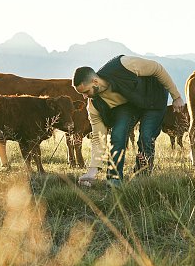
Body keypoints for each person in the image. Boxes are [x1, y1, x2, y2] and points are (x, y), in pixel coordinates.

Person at [73, 55, 185, 187]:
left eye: (86, 91)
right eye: (82, 94)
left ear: (95, 82)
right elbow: (99, 138)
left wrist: (176, 96)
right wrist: (92, 171)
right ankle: (114, 180)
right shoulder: (94, 106)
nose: (85, 96)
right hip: (130, 104)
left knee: (146, 136)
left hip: (153, 97)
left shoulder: (124, 65)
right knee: (117, 135)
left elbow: (157, 69)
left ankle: (142, 177)